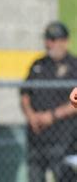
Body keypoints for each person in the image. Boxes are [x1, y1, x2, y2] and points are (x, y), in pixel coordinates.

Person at [20, 21, 77, 182]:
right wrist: (31, 116)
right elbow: (25, 94)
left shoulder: (74, 66)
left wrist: (52, 116)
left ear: (65, 41)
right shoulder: (38, 65)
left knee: (64, 177)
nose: (48, 43)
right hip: (37, 136)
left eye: (53, 39)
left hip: (64, 138)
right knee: (35, 176)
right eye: (47, 39)